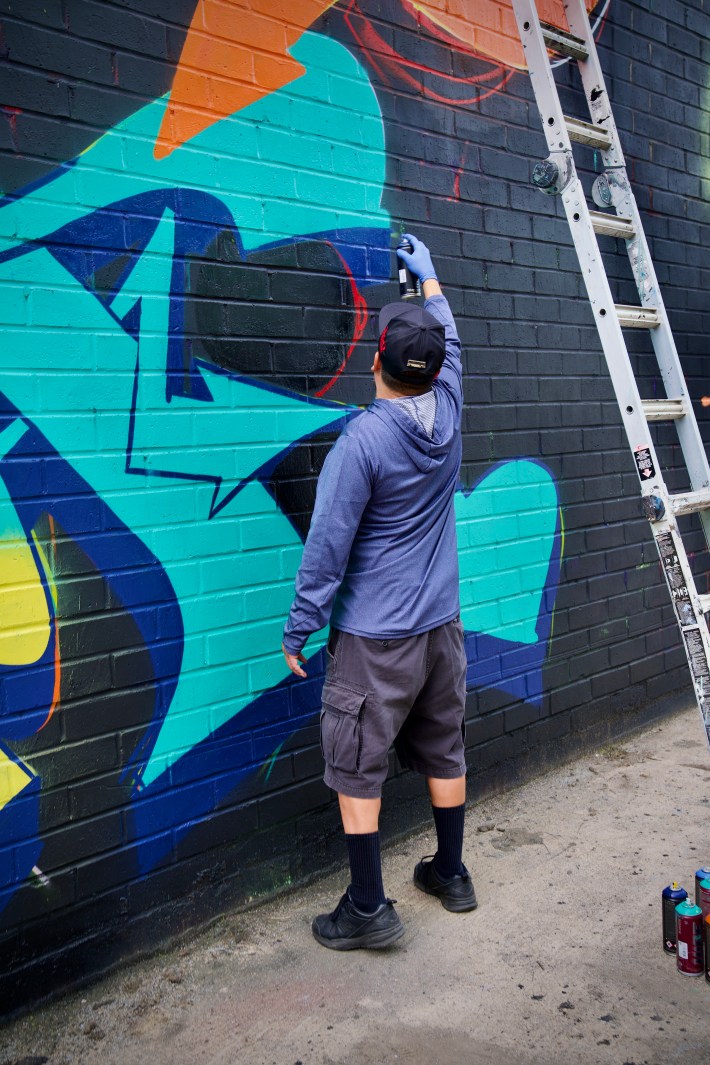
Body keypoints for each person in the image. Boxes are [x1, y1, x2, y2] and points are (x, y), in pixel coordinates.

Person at [282, 234, 476, 950]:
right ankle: (451, 873)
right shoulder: (449, 408)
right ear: (433, 369)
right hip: (440, 630)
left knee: (356, 765)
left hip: (377, 640)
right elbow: (451, 346)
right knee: (444, 746)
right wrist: (433, 281)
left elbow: (326, 546)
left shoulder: (360, 443)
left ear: (375, 363)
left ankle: (366, 908)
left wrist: (300, 626)